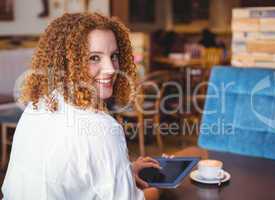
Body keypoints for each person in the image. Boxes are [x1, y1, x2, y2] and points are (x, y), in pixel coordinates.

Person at [2, 12, 161, 200]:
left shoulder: (37, 107)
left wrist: (124, 173)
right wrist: (163, 189)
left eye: (114, 55)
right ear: (67, 62)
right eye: (94, 57)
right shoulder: (101, 128)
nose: (111, 68)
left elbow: (71, 177)